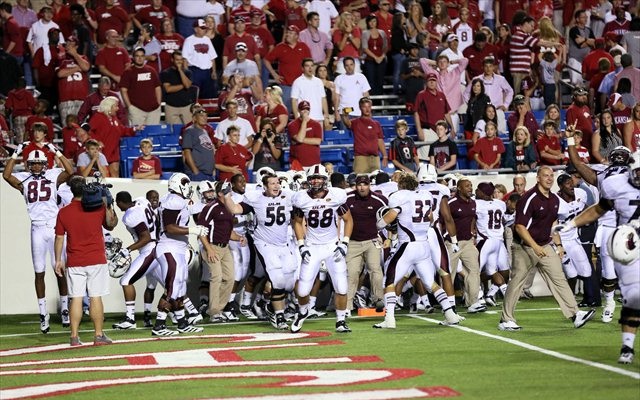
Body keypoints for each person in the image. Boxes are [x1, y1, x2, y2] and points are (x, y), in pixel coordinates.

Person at [556, 150, 639, 364]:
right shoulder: (617, 185)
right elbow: (599, 209)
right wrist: (572, 223)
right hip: (628, 241)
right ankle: (627, 346)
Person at [498, 166, 596, 331]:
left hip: (545, 245)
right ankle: (506, 320)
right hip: (523, 247)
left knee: (559, 278)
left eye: (551, 176)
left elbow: (553, 223)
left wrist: (558, 245)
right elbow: (520, 227)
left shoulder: (554, 200)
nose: (549, 179)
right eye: (545, 176)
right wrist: (535, 247)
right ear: (537, 178)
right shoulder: (528, 198)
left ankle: (575, 314)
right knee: (516, 282)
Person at [373, 173, 464, 329]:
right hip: (424, 245)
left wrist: (379, 223)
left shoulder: (399, 197)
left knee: (388, 281)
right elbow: (430, 217)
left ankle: (389, 319)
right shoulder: (425, 195)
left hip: (407, 245)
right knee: (431, 283)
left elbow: (386, 221)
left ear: (401, 185)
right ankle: (450, 314)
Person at [3, 146, 74, 334]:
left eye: (38, 163)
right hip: (36, 228)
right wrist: (15, 153)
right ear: (28, 164)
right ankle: (43, 313)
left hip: (53, 227)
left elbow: (70, 171)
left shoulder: (53, 176)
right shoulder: (24, 180)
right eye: (32, 164)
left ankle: (65, 308)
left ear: (45, 164)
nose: (35, 167)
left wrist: (56, 151)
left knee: (59, 269)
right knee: (39, 272)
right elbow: (6, 175)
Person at [220, 172, 297, 329]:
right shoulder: (256, 198)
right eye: (272, 183)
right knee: (277, 279)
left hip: (283, 244)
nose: (276, 186)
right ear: (265, 186)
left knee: (289, 282)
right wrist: (227, 196)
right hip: (265, 244)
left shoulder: (288, 196)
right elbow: (235, 209)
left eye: (277, 183)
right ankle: (279, 315)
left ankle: (267, 305)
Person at [54, 175, 118, 346]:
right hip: (96, 258)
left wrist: (57, 260)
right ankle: (98, 335)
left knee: (75, 298)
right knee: (95, 297)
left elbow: (59, 238)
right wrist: (109, 203)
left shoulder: (63, 212)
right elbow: (112, 224)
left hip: (74, 260)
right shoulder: (97, 208)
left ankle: (74, 337)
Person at [291, 164, 354, 333]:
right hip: (312, 247)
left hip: (332, 246)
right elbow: (297, 223)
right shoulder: (301, 198)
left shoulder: (336, 196)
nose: (316, 181)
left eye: (319, 178)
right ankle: (302, 312)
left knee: (341, 287)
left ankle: (341, 321)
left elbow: (348, 220)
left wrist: (344, 242)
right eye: (313, 178)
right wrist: (301, 245)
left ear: (326, 180)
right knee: (303, 290)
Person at [150, 173, 208, 336]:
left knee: (180, 286)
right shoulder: (172, 201)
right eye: (186, 184)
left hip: (176, 248)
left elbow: (191, 209)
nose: (189, 188)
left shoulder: (176, 200)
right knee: (172, 288)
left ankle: (182, 323)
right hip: (169, 247)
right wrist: (193, 229)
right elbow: (169, 227)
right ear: (179, 185)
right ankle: (159, 325)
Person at [111, 192, 163, 330]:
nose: (117, 204)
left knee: (125, 281)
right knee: (170, 286)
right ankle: (190, 313)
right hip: (157, 246)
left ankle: (130, 319)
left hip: (150, 249)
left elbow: (145, 237)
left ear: (121, 202)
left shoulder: (130, 216)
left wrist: (127, 249)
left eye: (117, 202)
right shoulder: (141, 200)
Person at [345, 174, 387, 314]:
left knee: (375, 269)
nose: (362, 187)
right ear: (356, 186)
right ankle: (347, 305)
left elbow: (390, 218)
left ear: (370, 185)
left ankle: (378, 299)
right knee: (352, 273)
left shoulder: (379, 200)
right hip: (352, 242)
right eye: (359, 185)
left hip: (372, 240)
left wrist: (388, 237)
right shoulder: (347, 199)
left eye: (365, 184)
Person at [88, 96, 140, 178]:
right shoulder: (98, 117)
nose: (118, 108)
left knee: (115, 173)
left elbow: (122, 130)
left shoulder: (114, 118)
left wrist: (134, 129)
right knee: (104, 175)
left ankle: (115, 190)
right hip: (102, 152)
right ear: (109, 107)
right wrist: (97, 141)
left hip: (114, 152)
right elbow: (88, 131)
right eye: (115, 106)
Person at [264, 25, 311, 110]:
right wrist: (274, 75)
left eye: (290, 33)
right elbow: (266, 60)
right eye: (287, 33)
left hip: (302, 85)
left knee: (304, 111)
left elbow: (310, 63)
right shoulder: (280, 47)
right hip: (286, 86)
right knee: (285, 112)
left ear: (296, 36)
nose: (287, 35)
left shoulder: (303, 47)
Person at [341, 97, 387, 174]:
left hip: (375, 159)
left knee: (376, 181)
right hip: (361, 159)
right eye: (364, 107)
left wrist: (385, 156)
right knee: (361, 181)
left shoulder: (376, 124)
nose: (367, 109)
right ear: (360, 108)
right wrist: (345, 115)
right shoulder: (356, 122)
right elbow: (347, 123)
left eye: (369, 106)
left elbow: (380, 140)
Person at [120, 48, 162, 126]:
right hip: (136, 110)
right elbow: (123, 90)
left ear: (144, 57)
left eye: (142, 56)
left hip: (153, 110)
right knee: (138, 135)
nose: (140, 58)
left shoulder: (151, 70)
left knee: (153, 135)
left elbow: (158, 87)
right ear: (133, 57)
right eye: (137, 56)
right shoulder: (128, 72)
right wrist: (130, 107)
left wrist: (158, 103)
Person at [56, 36, 91, 123]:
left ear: (76, 46)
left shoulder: (83, 58)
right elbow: (60, 74)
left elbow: (86, 67)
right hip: (66, 99)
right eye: (67, 44)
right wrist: (76, 69)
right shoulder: (61, 59)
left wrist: (75, 54)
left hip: (81, 98)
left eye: (71, 44)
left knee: (81, 126)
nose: (68, 46)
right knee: (67, 126)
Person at [182, 18, 218, 99]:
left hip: (207, 72)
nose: (204, 30)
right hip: (195, 71)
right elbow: (185, 59)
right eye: (202, 28)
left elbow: (212, 57)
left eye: (204, 28)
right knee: (195, 95)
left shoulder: (207, 39)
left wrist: (214, 71)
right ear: (195, 29)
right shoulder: (189, 40)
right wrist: (187, 74)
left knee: (208, 96)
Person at [291, 58, 331, 129]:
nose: (310, 68)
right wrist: (297, 118)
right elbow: (294, 101)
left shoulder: (318, 81)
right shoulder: (297, 82)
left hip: (319, 118)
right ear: (302, 68)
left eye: (312, 66)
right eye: (307, 66)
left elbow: (323, 99)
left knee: (320, 140)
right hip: (305, 119)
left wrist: (326, 116)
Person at [182, 108, 219, 182]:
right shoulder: (189, 131)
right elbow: (186, 152)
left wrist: (213, 169)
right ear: (194, 118)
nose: (204, 118)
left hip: (208, 174)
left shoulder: (205, 131)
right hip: (198, 174)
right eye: (201, 116)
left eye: (206, 116)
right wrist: (195, 171)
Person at [160, 50, 194, 125]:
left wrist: (180, 71)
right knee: (173, 131)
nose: (179, 62)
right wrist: (183, 85)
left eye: (181, 60)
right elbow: (168, 89)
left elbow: (187, 86)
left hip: (186, 107)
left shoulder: (188, 73)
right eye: (177, 60)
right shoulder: (166, 73)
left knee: (188, 129)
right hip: (171, 107)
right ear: (172, 60)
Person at [287, 100, 322, 170]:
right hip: (297, 163)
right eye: (303, 110)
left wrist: (301, 139)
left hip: (314, 163)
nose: (305, 112)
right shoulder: (292, 125)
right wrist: (304, 121)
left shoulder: (316, 124)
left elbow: (317, 141)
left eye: (307, 109)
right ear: (299, 111)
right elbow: (299, 139)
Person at [334, 57, 371, 121]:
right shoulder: (339, 78)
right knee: (345, 131)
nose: (349, 67)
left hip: (359, 112)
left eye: (351, 64)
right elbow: (336, 98)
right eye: (347, 65)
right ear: (344, 66)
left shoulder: (361, 77)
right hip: (345, 113)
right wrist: (336, 112)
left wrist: (368, 111)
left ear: (354, 65)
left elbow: (366, 96)